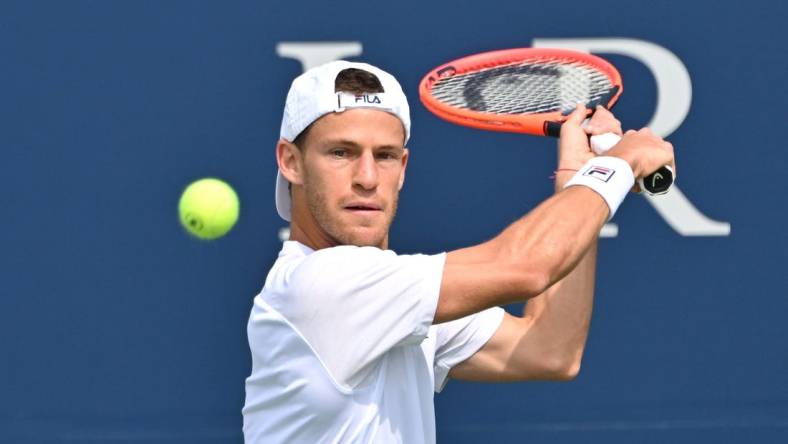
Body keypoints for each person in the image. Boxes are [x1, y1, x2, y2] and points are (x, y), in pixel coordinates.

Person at [242, 60, 674, 443]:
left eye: (386, 155)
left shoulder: (392, 300)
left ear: (404, 168)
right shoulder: (321, 285)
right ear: (291, 162)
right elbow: (526, 266)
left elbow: (549, 348)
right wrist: (618, 165)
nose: (368, 177)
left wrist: (575, 178)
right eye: (341, 153)